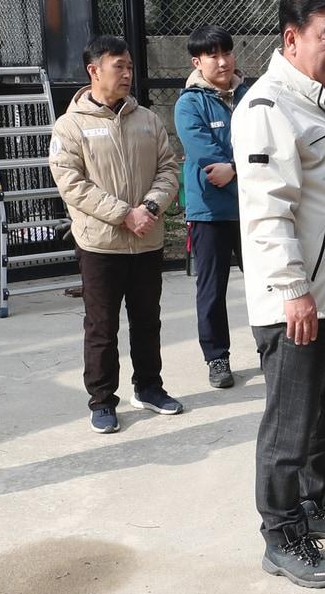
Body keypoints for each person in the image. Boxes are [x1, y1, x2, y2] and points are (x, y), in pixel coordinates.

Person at [234, 0, 325, 588]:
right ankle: (281, 530)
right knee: (290, 424)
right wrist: (293, 289)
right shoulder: (270, 109)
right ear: (291, 40)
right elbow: (268, 211)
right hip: (300, 303)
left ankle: (315, 501)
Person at [49, 35, 184, 434]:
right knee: (102, 327)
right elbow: (71, 183)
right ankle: (102, 400)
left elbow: (169, 169)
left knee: (148, 320)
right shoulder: (70, 125)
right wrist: (124, 214)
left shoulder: (147, 120)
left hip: (147, 239)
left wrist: (151, 209)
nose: (127, 74)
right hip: (100, 244)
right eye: (118, 66)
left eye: (129, 66)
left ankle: (149, 387)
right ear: (94, 71)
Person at [175, 25, 250, 388]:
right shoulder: (189, 103)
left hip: (254, 207)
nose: (222, 61)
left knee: (268, 282)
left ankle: (274, 350)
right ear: (197, 61)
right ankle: (217, 357)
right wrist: (248, 168)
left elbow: (271, 145)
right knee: (212, 289)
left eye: (227, 52)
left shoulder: (253, 94)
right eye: (212, 55)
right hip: (210, 213)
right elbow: (207, 159)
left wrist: (236, 168)